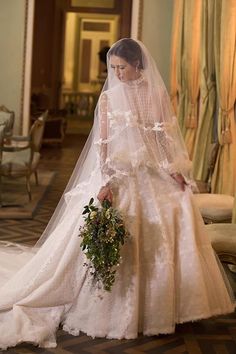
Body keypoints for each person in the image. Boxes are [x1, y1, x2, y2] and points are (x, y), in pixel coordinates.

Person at [0, 38, 234, 350]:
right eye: (113, 68)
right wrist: (108, 181)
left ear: (138, 65)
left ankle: (168, 308)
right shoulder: (110, 98)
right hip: (119, 174)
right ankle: (113, 306)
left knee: (175, 213)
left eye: (121, 67)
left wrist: (177, 173)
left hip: (151, 173)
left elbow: (163, 139)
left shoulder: (156, 94)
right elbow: (104, 145)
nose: (117, 73)